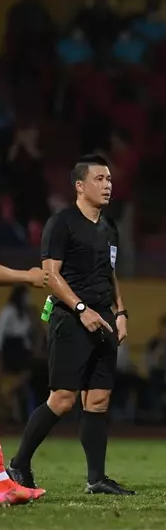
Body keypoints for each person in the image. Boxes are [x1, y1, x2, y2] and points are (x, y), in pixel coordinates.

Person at [7, 155, 134, 495]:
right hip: (71, 317)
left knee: (99, 400)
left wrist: (121, 312)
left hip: (104, 317)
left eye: (109, 179)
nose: (107, 185)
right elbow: (51, 274)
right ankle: (19, 463)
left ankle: (96, 479)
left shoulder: (109, 227)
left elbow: (110, 273)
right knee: (63, 398)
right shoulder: (61, 223)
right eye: (99, 179)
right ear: (80, 186)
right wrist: (80, 308)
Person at [0, 262, 48, 505]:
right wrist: (28, 276)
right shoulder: (9, 313)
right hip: (11, 352)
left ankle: (3, 484)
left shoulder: (26, 313)